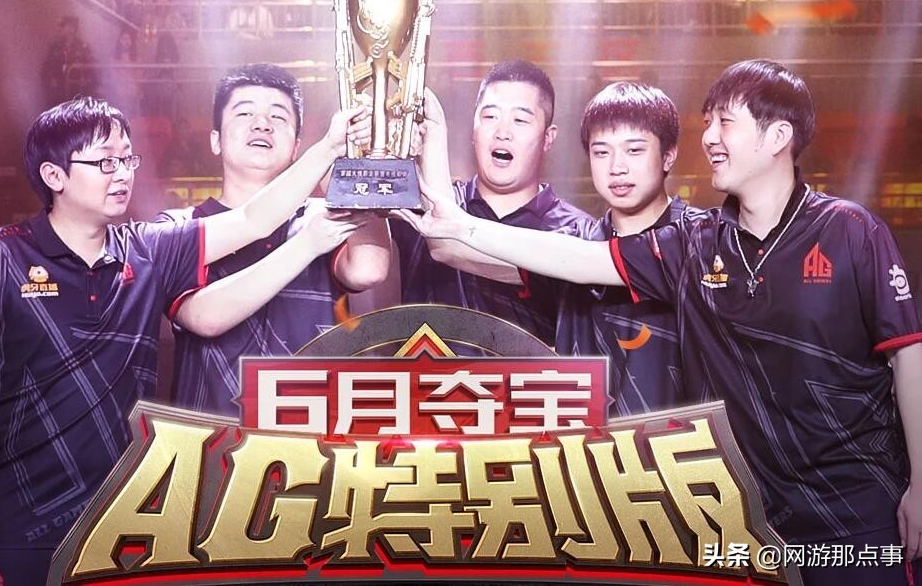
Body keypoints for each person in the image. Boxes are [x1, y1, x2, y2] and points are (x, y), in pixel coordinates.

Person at [397, 59, 922, 584]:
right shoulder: (695, 244)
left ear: (777, 137)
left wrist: (921, 484)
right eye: (708, 123)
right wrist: (457, 214)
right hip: (742, 514)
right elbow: (580, 260)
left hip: (855, 508)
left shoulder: (849, 229)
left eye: (725, 123)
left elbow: (907, 352)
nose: (709, 138)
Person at [0, 94, 371, 583]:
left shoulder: (147, 250)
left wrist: (330, 146)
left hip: (122, 517)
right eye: (105, 162)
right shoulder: (2, 255)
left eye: (127, 159)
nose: (122, 174)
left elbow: (252, 220)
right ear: (54, 176)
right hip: (14, 520)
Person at [158, 63, 391, 416]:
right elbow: (204, 318)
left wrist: (355, 163)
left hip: (308, 438)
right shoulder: (178, 228)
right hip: (214, 440)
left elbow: (369, 269)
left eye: (278, 116)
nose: (262, 124)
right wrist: (307, 243)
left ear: (297, 147)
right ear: (215, 140)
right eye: (244, 113)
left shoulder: (319, 215)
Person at [393, 60, 593, 347]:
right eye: (490, 116)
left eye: (520, 120)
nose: (502, 132)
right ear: (473, 129)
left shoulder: (578, 233)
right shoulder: (421, 202)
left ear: (548, 138)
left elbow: (447, 246)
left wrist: (435, 134)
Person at [551, 81, 694, 417]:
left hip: (683, 443)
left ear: (668, 155)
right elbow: (458, 250)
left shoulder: (702, 240)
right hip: (582, 445)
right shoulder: (575, 241)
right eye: (601, 152)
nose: (616, 167)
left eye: (634, 150)